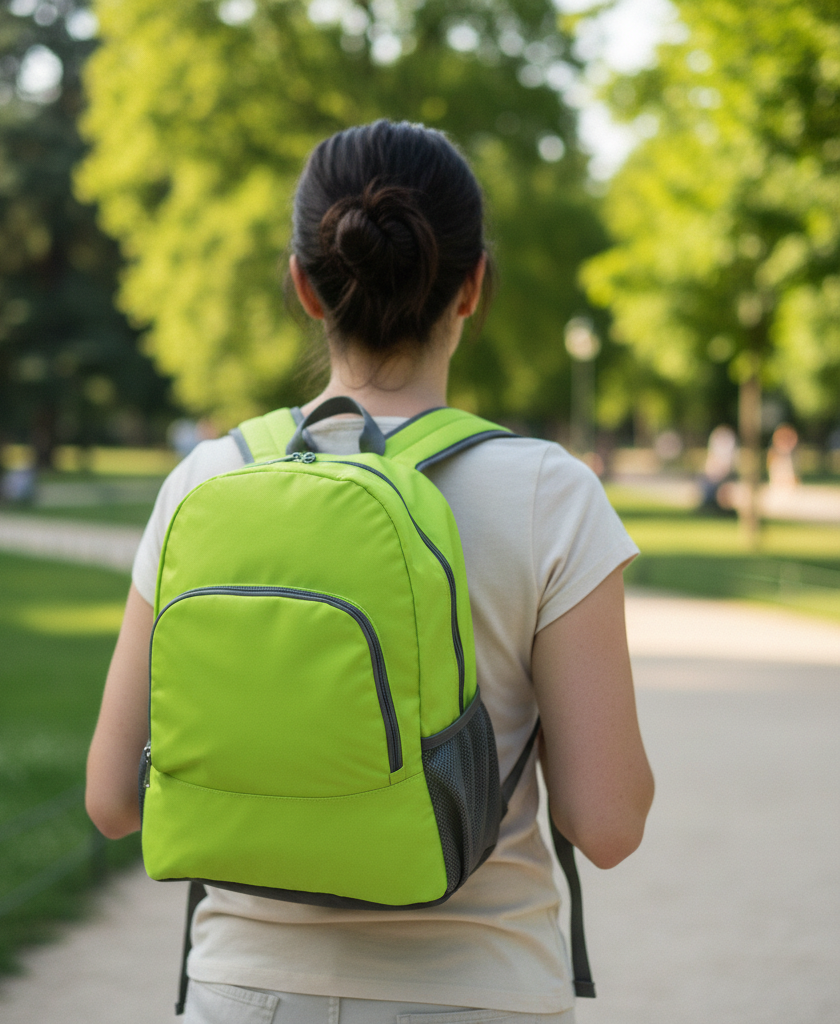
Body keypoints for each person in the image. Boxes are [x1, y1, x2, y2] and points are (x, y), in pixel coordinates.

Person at [86, 120, 653, 1023]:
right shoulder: (551, 492)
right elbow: (608, 825)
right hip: (479, 992)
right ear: (474, 286)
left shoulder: (206, 480)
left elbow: (114, 800)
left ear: (304, 285)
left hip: (243, 990)